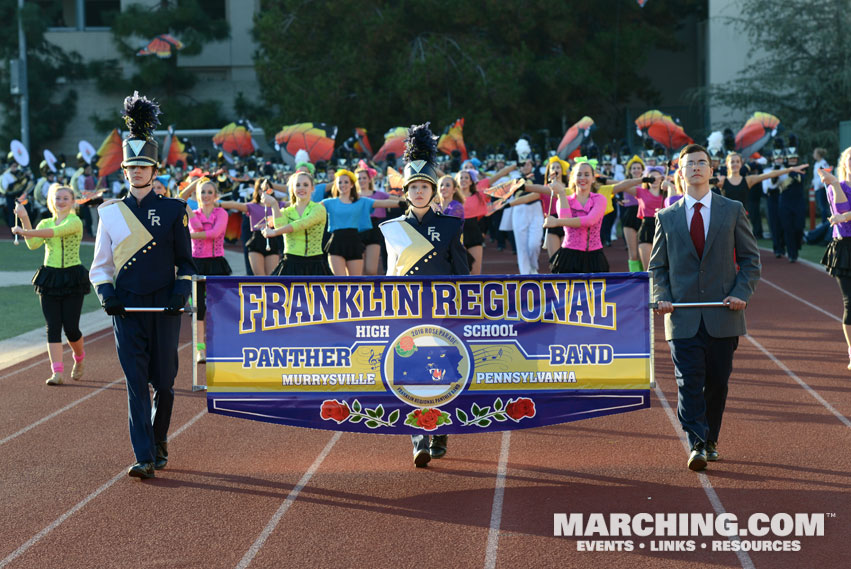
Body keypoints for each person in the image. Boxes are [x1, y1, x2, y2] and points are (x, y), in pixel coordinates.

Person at [89, 92, 196, 480]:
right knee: (136, 384)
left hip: (163, 306)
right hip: (127, 308)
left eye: (143, 167)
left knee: (164, 383)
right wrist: (108, 296)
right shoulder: (110, 213)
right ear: (124, 172)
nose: (136, 172)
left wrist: (179, 294)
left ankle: (160, 436)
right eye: (131, 167)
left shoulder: (174, 211)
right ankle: (144, 455)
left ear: (154, 172)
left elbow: (186, 263)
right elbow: (100, 266)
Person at [649, 144, 761, 472]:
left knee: (718, 381)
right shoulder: (666, 217)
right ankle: (697, 442)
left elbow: (751, 261)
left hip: (724, 315)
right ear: (679, 172)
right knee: (688, 379)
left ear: (712, 171)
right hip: (681, 317)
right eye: (690, 164)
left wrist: (742, 293)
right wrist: (661, 296)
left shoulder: (732, 209)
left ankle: (711, 440)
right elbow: (657, 268)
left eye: (702, 163)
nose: (696, 168)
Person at [379, 123, 468, 468]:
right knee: (411, 373)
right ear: (406, 191)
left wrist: (463, 306)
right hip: (408, 310)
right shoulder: (393, 228)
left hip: (443, 309)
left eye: (424, 187)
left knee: (442, 373)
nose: (418, 192)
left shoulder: (450, 226)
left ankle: (440, 429)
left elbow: (460, 271)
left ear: (433, 192)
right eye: (413, 187)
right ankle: (420, 439)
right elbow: (391, 271)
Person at [12, 184, 90, 385]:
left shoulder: (75, 221)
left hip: (72, 276)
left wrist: (23, 231)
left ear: (72, 202)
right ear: (52, 201)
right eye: (58, 198)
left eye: (66, 198)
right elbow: (33, 244)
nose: (61, 201)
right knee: (52, 327)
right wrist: (24, 218)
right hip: (49, 277)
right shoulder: (45, 221)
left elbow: (53, 233)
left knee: (71, 328)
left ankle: (79, 358)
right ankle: (57, 373)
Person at [322, 169, 401, 276]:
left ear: (351, 185)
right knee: (340, 282)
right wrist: (292, 203)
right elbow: (311, 207)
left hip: (354, 241)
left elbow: (382, 203)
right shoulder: (329, 202)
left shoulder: (362, 201)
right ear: (335, 184)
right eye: (339, 182)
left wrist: (403, 203)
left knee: (357, 281)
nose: (343, 185)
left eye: (346, 182)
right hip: (336, 243)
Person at [188, 177, 231, 363]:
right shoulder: (194, 214)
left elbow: (215, 233)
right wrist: (189, 211)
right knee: (199, 308)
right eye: (202, 192)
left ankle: (218, 344)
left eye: (209, 192)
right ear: (197, 195)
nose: (205, 196)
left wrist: (188, 235)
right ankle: (200, 349)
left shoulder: (221, 213)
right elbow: (196, 226)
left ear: (215, 195)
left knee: (218, 307)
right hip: (196, 263)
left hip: (216, 263)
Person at [818, 146, 851, 369]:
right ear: (844, 163)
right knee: (850, 303)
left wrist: (847, 215)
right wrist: (836, 183)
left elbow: (845, 214)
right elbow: (841, 210)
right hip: (844, 249)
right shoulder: (835, 186)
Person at [262, 170, 329, 276]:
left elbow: (303, 223)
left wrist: (274, 232)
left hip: (314, 263)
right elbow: (280, 226)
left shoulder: (319, 208)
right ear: (292, 189)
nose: (301, 188)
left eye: (305, 185)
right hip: (290, 263)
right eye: (297, 185)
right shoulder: (286, 211)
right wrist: (274, 205)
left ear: (312, 188)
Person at [217, 178, 283, 276]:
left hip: (272, 240)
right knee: (259, 278)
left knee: (272, 278)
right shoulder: (252, 206)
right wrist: (217, 203)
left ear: (271, 190)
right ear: (257, 191)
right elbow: (235, 205)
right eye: (261, 189)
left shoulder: (278, 205)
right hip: (256, 241)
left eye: (267, 188)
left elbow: (293, 204)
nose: (264, 191)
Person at [354, 162, 389, 275]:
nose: (362, 180)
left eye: (364, 178)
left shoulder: (378, 194)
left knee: (371, 270)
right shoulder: (351, 196)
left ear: (369, 179)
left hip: (373, 229)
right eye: (359, 178)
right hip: (355, 230)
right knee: (358, 271)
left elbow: (393, 199)